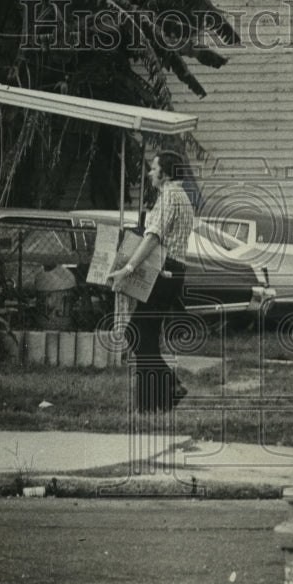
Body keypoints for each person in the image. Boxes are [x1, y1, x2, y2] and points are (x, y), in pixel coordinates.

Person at [108, 150, 195, 413]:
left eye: (153, 168)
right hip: (174, 272)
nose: (149, 173)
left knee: (137, 334)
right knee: (144, 336)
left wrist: (129, 268)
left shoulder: (168, 196)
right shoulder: (183, 197)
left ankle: (166, 390)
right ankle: (156, 402)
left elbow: (154, 236)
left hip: (164, 271)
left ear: (165, 173)